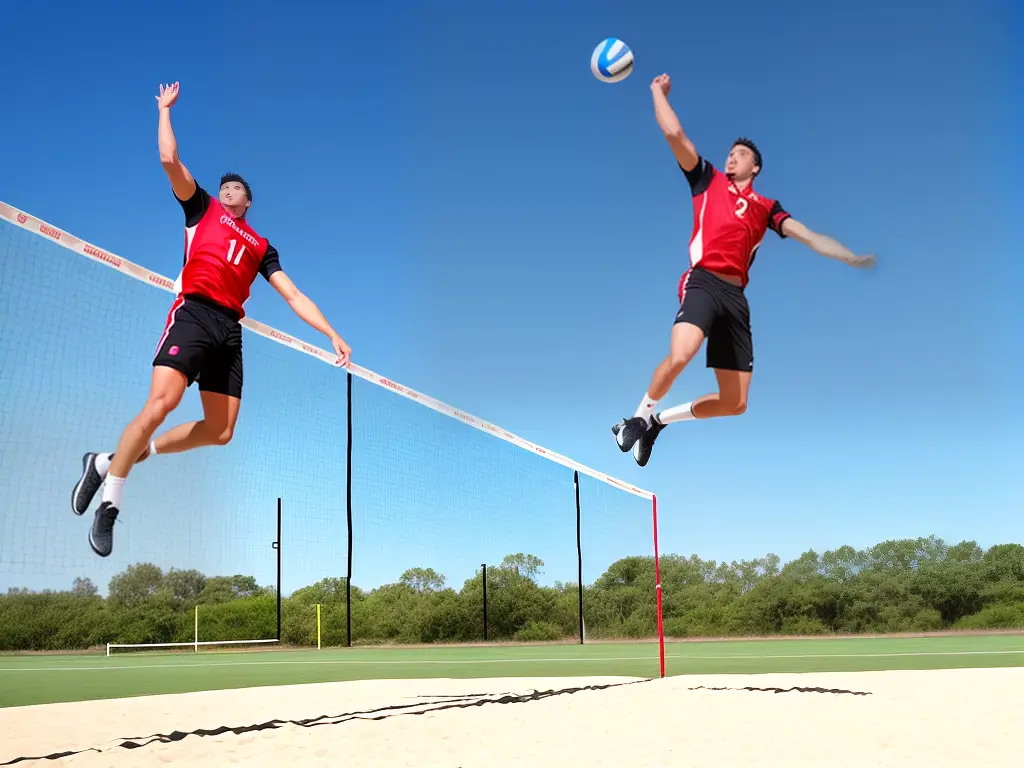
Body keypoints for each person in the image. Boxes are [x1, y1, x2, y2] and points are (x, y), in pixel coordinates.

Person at [71, 82, 352, 557]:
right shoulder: (201, 209)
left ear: (247, 202)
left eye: (237, 187)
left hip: (229, 331)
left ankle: (107, 461)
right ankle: (111, 504)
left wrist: (331, 333)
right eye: (224, 185)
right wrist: (164, 111)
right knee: (162, 404)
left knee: (220, 432)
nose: (228, 188)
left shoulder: (262, 246)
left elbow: (294, 295)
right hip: (195, 314)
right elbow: (168, 161)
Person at [612, 73, 875, 467]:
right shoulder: (707, 180)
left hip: (735, 299)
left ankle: (659, 422)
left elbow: (807, 234)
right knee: (682, 353)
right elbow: (674, 133)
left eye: (740, 153)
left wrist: (849, 256)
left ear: (756, 167)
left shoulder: (766, 206)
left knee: (735, 404)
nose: (731, 156)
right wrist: (655, 91)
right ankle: (638, 415)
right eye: (730, 152)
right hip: (702, 280)